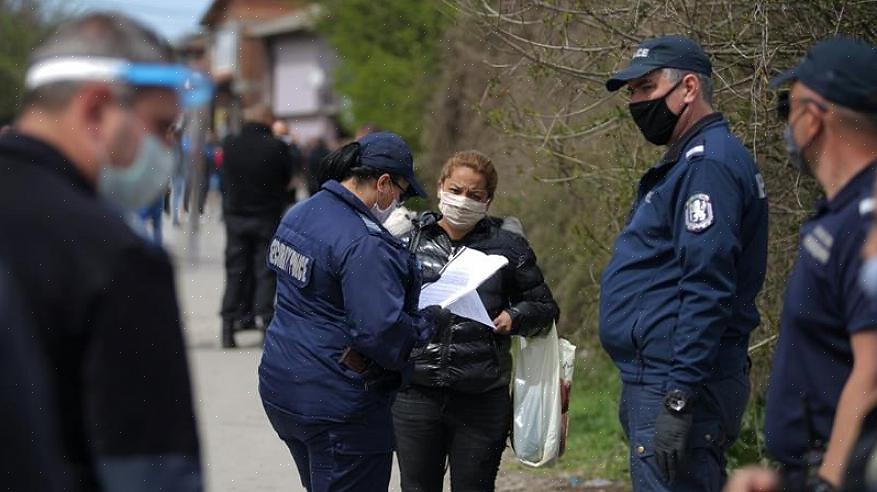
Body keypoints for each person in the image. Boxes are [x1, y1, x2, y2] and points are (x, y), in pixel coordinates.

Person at [0, 13, 207, 491]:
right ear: (96, 109)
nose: (166, 150)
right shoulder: (118, 259)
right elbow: (150, 473)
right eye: (160, 127)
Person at [598, 35, 769, 491]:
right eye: (631, 92)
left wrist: (678, 396)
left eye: (646, 88)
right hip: (660, 377)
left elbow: (707, 286)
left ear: (688, 88)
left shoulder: (707, 166)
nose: (636, 102)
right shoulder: (687, 165)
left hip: (677, 380)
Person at [258, 131, 449, 492]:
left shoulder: (301, 212)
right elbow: (381, 333)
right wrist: (425, 324)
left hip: (285, 386)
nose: (399, 203)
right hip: (338, 404)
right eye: (401, 192)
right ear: (382, 183)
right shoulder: (365, 243)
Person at [392, 150, 559, 491]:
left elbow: (544, 307)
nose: (462, 200)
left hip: (481, 396)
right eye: (455, 190)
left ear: (488, 200)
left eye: (474, 195)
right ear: (440, 187)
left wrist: (515, 316)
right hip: (416, 393)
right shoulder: (409, 242)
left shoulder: (508, 247)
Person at [763, 37, 877, 491]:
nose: (786, 123)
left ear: (811, 116)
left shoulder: (866, 221)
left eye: (786, 107)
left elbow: (872, 370)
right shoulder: (839, 213)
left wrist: (830, 478)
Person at [219, 105, 293, 347]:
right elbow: (287, 179)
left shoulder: (230, 145)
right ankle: (264, 323)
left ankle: (229, 326)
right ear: (267, 120)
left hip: (235, 215)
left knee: (235, 269)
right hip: (266, 215)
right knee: (265, 271)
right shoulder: (276, 147)